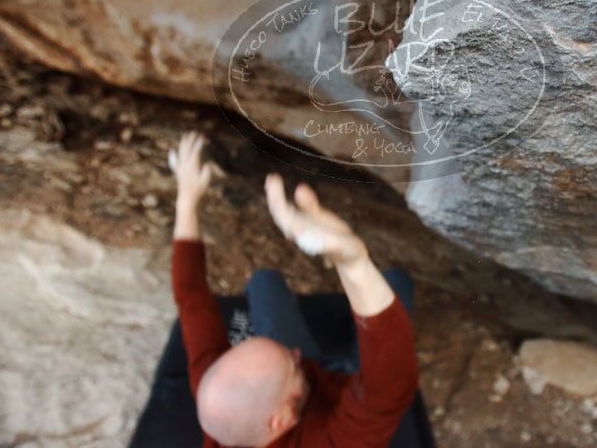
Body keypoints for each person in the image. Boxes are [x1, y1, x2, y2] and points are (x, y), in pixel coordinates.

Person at [169, 131, 420, 448]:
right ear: (280, 421)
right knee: (396, 282)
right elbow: (389, 389)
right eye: (293, 363)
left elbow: (191, 298)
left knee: (263, 281)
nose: (298, 352)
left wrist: (187, 199)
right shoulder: (330, 442)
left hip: (305, 392)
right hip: (346, 390)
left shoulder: (218, 396)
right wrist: (354, 264)